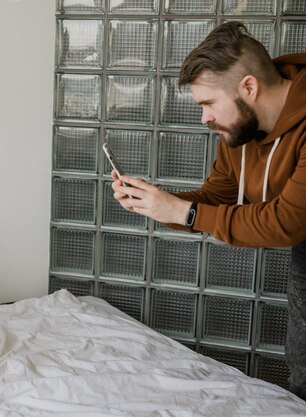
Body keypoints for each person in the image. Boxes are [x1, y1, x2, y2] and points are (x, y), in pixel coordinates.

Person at [110, 22, 306, 398]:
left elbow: (288, 221)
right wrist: (156, 204)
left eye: (209, 104)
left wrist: (181, 212)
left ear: (248, 87)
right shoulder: (240, 131)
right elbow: (216, 199)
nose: (204, 118)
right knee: (304, 372)